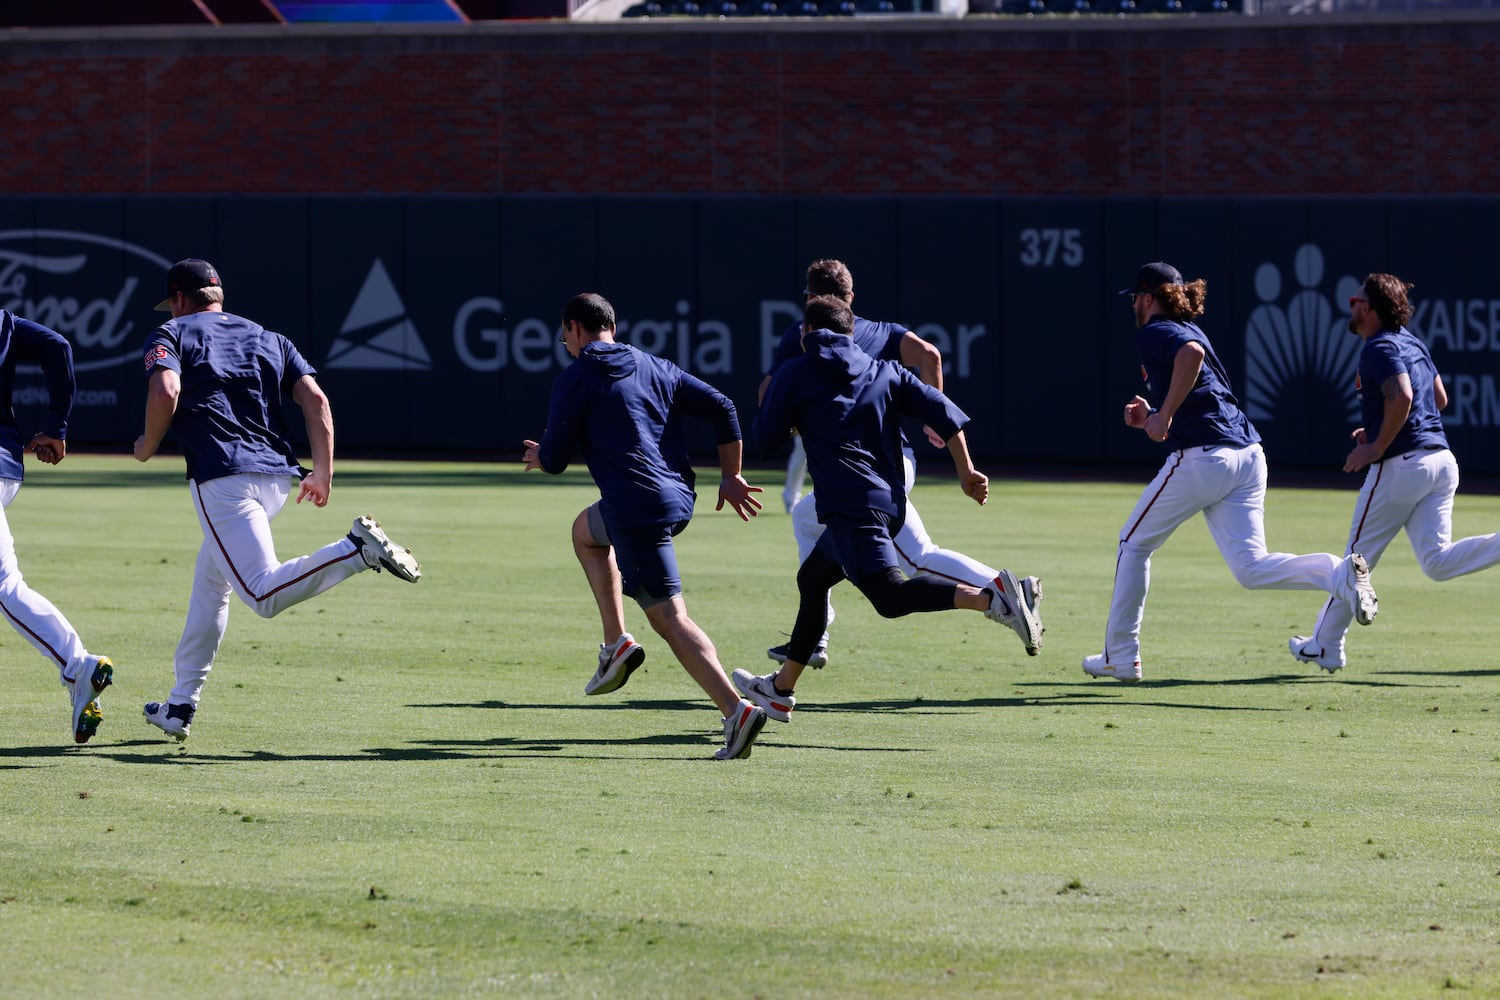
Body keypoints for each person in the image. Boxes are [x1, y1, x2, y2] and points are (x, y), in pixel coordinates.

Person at [133, 258, 421, 742]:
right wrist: (324, 473)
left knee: (262, 594)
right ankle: (181, 704)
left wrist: (146, 444)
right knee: (211, 583)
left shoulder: (173, 332)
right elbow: (316, 401)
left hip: (224, 479)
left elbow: (166, 388)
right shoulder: (269, 337)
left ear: (181, 299)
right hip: (275, 482)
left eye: (173, 303)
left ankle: (354, 551)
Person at [734, 295, 1035, 726]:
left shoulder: (795, 372)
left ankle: (991, 599)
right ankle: (780, 690)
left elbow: (764, 438)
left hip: (850, 507)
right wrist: (967, 472)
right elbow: (943, 412)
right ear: (850, 332)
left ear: (806, 333)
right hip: (888, 501)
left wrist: (796, 416)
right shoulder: (884, 369)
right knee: (814, 578)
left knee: (890, 597)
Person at [1083, 262, 1379, 684]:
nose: (1135, 304)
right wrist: (1151, 414)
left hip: (1207, 457)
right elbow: (1202, 390)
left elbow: (1192, 356)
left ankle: (1121, 656)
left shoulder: (1156, 331)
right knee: (1251, 568)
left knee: (1132, 543)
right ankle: (1339, 573)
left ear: (1147, 297)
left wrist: (1162, 415)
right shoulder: (1188, 328)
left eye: (1136, 297)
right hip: (1248, 455)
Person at [522, 292, 768, 761]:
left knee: (671, 618)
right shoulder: (656, 366)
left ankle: (736, 711)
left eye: (564, 337)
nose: (566, 346)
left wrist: (540, 454)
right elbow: (723, 407)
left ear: (575, 328)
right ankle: (615, 642)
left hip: (637, 512)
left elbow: (554, 461)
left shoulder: (574, 377)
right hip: (676, 498)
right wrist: (731, 474)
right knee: (585, 532)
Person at [1290, 274, 1500, 672]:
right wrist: (1379, 427)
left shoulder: (1378, 346)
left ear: (1368, 308)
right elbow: (1438, 398)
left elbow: (1404, 395)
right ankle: (1326, 646)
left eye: (1355, 300)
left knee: (1354, 561)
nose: (1351, 306)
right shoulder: (1412, 341)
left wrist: (1376, 445)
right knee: (1436, 562)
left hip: (1401, 467)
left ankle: (1325, 645)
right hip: (1441, 461)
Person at [0, 308, 115, 744]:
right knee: (8, 586)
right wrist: (56, 426)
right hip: (6, 466)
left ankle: (78, 667)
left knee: (6, 587)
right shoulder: (2, 322)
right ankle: (79, 670)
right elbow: (58, 346)